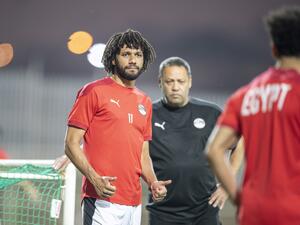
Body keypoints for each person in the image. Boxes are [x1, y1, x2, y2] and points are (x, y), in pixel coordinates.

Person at [62, 29, 171, 225]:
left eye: (138, 55)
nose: (133, 60)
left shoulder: (144, 101)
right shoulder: (93, 91)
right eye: (126, 54)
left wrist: (153, 182)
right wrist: (94, 179)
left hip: (133, 204)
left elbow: (143, 155)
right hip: (102, 201)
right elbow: (71, 143)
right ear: (113, 59)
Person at [205, 6, 300, 225]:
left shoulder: (245, 95)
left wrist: (239, 198)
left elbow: (214, 149)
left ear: (274, 49)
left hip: (254, 212)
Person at [146, 57, 244, 225]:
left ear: (189, 82)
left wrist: (227, 184)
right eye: (169, 81)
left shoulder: (211, 113)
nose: (175, 87)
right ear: (160, 82)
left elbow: (239, 144)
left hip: (204, 210)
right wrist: (150, 181)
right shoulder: (148, 115)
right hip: (162, 211)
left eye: (180, 81)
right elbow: (137, 154)